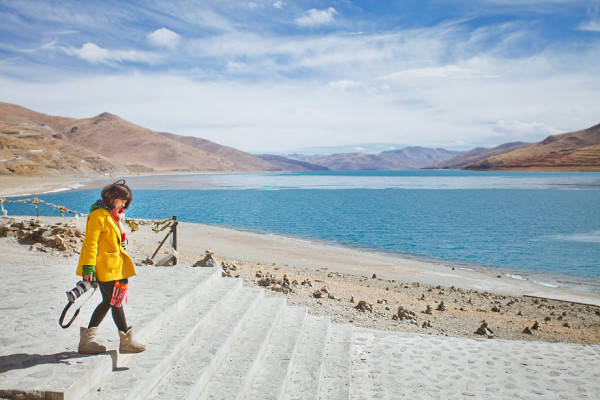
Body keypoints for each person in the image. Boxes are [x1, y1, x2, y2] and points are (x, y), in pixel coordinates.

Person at [76, 179, 146, 354]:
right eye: (122, 200)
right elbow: (91, 244)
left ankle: (86, 341)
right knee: (116, 301)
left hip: (114, 266)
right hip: (103, 267)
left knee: (109, 301)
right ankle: (126, 342)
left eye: (125, 201)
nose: (124, 204)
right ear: (112, 197)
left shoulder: (114, 215)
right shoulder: (98, 215)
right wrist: (88, 269)